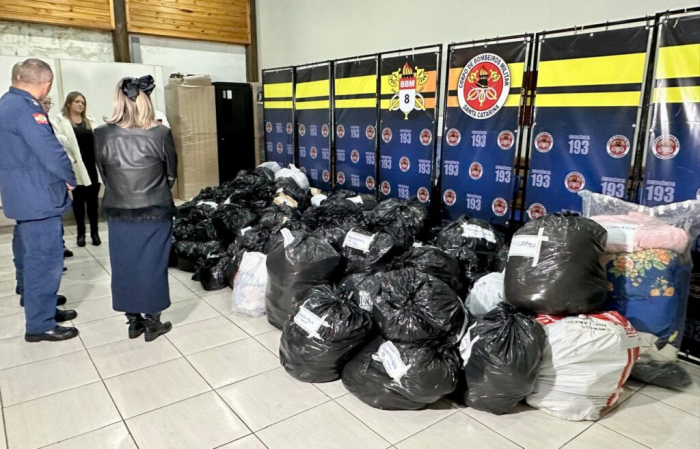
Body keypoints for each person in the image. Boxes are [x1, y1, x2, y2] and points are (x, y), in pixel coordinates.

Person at [0, 59, 79, 342]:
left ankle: (36, 304)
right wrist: (70, 177)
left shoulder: (7, 103)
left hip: (23, 195)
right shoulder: (26, 109)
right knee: (44, 260)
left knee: (28, 254)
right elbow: (50, 151)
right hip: (38, 197)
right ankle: (40, 323)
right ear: (46, 84)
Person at [95, 76, 177, 342]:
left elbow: (104, 175)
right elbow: (171, 175)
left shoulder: (101, 134)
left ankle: (133, 322)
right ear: (145, 101)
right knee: (153, 265)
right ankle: (153, 322)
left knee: (124, 266)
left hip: (119, 210)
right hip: (154, 210)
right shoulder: (161, 134)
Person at [58, 92, 101, 247]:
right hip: (76, 167)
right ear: (69, 103)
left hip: (92, 165)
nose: (80, 104)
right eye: (77, 101)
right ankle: (81, 233)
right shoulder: (62, 121)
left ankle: (95, 232)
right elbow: (60, 144)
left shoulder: (90, 120)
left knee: (93, 203)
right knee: (78, 202)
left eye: (82, 102)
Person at [40, 95, 74, 260]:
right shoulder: (35, 121)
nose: (47, 106)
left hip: (57, 175)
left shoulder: (52, 122)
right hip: (43, 177)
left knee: (57, 214)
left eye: (49, 103)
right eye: (44, 103)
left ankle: (59, 244)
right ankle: (52, 249)